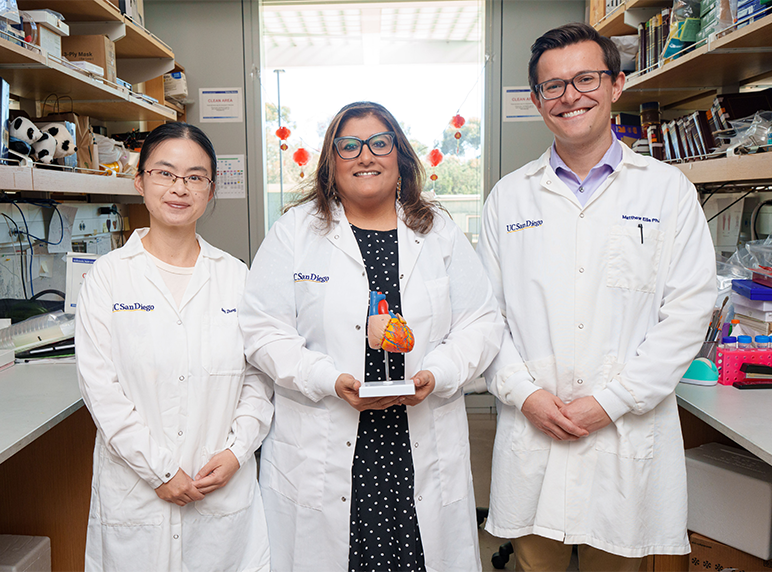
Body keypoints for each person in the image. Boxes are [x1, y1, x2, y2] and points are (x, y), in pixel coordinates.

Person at [477, 22, 717, 572]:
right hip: (534, 430)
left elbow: (687, 313)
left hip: (625, 435)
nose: (570, 96)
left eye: (586, 78)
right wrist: (528, 396)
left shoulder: (666, 190)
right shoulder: (509, 198)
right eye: (553, 86)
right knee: (537, 564)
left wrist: (611, 401)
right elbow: (486, 317)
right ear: (537, 101)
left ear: (616, 85)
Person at [240, 101, 502, 572]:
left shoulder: (437, 230)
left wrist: (437, 374)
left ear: (400, 156)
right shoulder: (296, 232)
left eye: (380, 143)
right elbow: (262, 329)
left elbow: (481, 322)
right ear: (331, 163)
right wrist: (325, 377)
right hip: (328, 432)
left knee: (415, 554)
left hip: (416, 434)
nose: (366, 155)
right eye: (349, 145)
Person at [75, 123, 273, 572]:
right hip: (136, 495)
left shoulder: (238, 278)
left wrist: (237, 452)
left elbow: (258, 379)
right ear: (140, 181)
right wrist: (160, 471)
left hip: (220, 490)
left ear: (210, 189)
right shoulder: (108, 277)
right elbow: (101, 390)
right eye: (165, 173)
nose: (179, 189)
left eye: (195, 177)